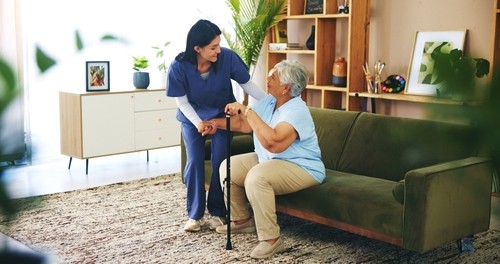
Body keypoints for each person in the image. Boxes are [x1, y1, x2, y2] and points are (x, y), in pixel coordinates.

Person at [206, 60, 325, 259]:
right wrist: (214, 124)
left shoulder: (297, 110)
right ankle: (242, 220)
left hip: (301, 166)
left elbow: (274, 142)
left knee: (256, 177)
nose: (267, 80)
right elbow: (245, 124)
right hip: (270, 160)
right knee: (229, 166)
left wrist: (247, 110)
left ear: (286, 87)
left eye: (273, 77)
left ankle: (272, 240)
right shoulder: (270, 102)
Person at [166, 19, 266, 232]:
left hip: (222, 116)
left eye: (219, 44)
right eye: (213, 47)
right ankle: (195, 215)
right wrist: (199, 123)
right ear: (197, 48)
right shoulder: (178, 67)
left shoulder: (227, 58)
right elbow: (182, 102)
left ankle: (218, 211)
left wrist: (272, 103)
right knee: (194, 160)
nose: (218, 50)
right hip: (192, 117)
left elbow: (248, 85)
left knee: (221, 162)